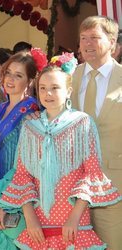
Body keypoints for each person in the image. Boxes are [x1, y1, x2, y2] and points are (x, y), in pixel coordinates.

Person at [0, 53, 121, 249]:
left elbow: (91, 172)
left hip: (74, 224)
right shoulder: (30, 126)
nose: (48, 94)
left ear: (69, 91)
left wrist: (74, 217)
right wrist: (30, 217)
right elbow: (22, 175)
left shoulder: (82, 123)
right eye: (43, 88)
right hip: (38, 223)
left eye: (55, 88)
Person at [0, 48, 47, 249]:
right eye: (8, 73)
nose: (10, 79)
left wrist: (6, 201)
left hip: (19, 196)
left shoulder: (31, 113)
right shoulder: (1, 107)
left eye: (19, 75)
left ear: (30, 81)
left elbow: (26, 166)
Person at [72, 16, 122, 249]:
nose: (87, 44)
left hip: (115, 189)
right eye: (83, 38)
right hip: (72, 187)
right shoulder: (69, 78)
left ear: (112, 43)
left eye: (95, 38)